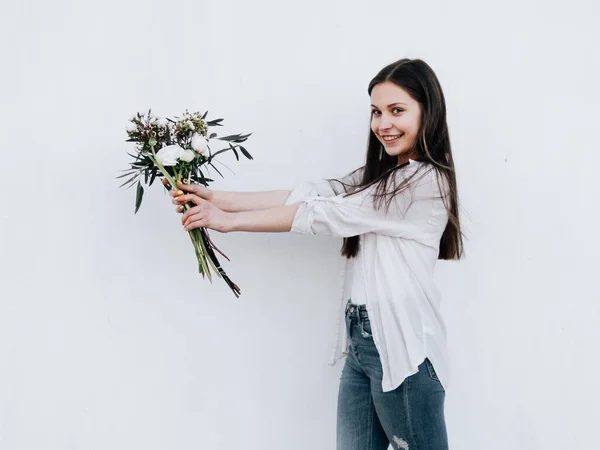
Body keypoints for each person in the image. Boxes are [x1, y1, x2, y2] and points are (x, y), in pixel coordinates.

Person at [167, 58, 463, 450]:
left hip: (401, 345)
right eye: (376, 112)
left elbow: (324, 213)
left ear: (428, 112)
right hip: (362, 341)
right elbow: (315, 193)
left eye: (397, 110)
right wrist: (216, 199)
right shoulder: (384, 175)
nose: (383, 124)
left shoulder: (423, 181)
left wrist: (227, 221)